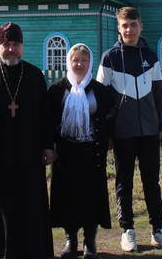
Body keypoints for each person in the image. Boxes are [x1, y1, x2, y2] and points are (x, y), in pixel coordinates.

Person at [96, 6, 162, 252]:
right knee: (124, 182)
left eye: (133, 25)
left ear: (140, 26)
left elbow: (158, 95)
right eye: (124, 25)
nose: (129, 30)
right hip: (122, 132)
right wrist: (108, 133)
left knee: (152, 181)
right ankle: (128, 230)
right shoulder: (109, 57)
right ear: (118, 28)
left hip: (150, 131)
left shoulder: (151, 57)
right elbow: (102, 100)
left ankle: (158, 230)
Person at [0, 22, 55, 259]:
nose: (11, 49)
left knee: (30, 204)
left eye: (15, 45)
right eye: (6, 44)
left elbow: (45, 115)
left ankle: (34, 251)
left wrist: (48, 145)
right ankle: (0, 251)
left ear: (22, 46)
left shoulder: (34, 75)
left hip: (30, 152)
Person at [48, 43, 116, 259]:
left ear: (90, 63)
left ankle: (90, 241)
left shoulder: (99, 90)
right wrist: (50, 146)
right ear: (69, 62)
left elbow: (110, 116)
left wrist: (109, 137)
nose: (79, 64)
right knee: (68, 195)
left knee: (90, 195)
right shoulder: (57, 90)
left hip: (92, 152)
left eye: (84, 60)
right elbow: (48, 120)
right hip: (65, 152)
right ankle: (71, 240)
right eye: (75, 60)